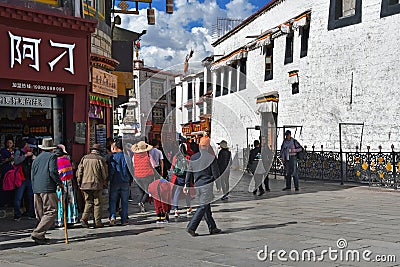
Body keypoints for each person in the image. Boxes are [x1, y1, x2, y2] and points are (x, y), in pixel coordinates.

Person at [184, 136, 221, 237]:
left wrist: (187, 184)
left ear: (200, 145)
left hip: (197, 186)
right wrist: (218, 185)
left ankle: (212, 227)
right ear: (208, 146)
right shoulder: (211, 158)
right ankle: (191, 227)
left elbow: (189, 172)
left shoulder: (193, 157)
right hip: (206, 185)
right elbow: (215, 173)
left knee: (206, 207)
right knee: (203, 206)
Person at [31, 138, 63, 245]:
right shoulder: (52, 156)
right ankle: (38, 233)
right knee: (51, 211)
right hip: (47, 187)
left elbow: (32, 174)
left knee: (40, 213)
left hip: (37, 188)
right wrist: (59, 182)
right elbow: (53, 171)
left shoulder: (37, 158)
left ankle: (41, 235)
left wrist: (34, 187)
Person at [77, 144, 108, 228]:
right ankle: (97, 221)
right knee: (97, 202)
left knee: (88, 202)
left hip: (85, 183)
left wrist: (79, 181)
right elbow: (104, 173)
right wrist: (104, 181)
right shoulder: (100, 159)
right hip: (96, 184)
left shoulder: (84, 158)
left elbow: (79, 171)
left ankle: (84, 218)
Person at [54, 145, 79, 227]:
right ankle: (71, 218)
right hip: (69, 182)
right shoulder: (67, 160)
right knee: (70, 200)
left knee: (60, 201)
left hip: (60, 183)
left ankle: (60, 220)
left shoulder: (56, 162)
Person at [108, 139, 132, 226]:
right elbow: (131, 170)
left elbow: (111, 170)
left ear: (116, 147)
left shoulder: (113, 157)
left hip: (115, 181)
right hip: (125, 181)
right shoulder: (128, 157)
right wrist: (130, 179)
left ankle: (113, 216)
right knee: (125, 201)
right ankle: (124, 219)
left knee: (113, 200)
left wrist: (109, 179)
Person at [13, 138, 36, 220]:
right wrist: (25, 155)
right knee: (18, 197)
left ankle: (31, 213)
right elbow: (16, 161)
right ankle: (17, 214)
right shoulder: (19, 152)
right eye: (30, 146)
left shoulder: (33, 153)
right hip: (21, 178)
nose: (31, 148)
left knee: (31, 196)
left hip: (29, 177)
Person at [131, 141, 155, 213]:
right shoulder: (148, 156)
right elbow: (154, 165)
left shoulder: (134, 156)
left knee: (141, 191)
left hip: (137, 176)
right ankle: (142, 202)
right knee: (148, 190)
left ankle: (141, 203)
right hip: (148, 175)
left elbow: (134, 166)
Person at [170, 143, 192, 217]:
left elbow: (173, 167)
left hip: (177, 177)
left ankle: (176, 210)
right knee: (187, 193)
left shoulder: (175, 157)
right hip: (185, 177)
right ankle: (188, 208)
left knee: (177, 193)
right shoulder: (187, 157)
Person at [0, 136, 15, 208]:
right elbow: (2, 161)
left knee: (13, 188)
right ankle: (3, 202)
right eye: (8, 143)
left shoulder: (15, 151)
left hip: (13, 172)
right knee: (4, 187)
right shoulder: (3, 151)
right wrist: (9, 159)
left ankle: (11, 203)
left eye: (11, 143)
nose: (9, 144)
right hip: (6, 171)